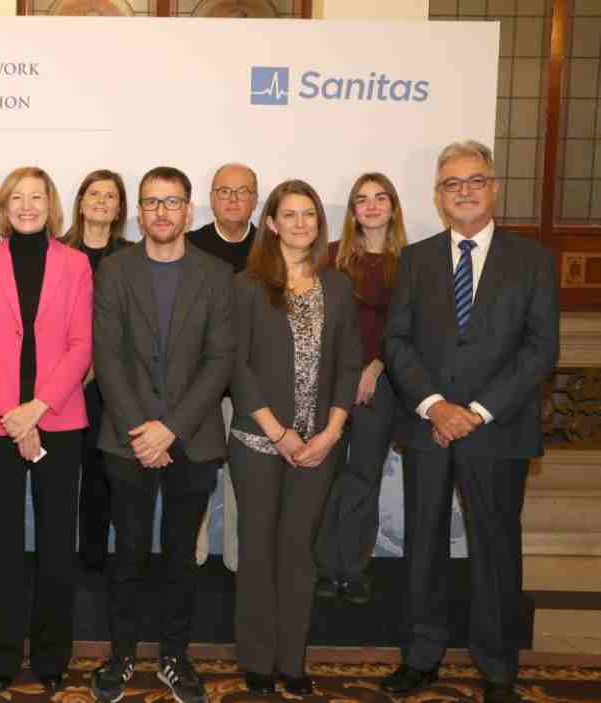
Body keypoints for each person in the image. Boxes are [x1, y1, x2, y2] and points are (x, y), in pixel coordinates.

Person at [382, 141, 559, 703]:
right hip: (428, 427)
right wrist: (435, 405)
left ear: (493, 188)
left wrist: (475, 412)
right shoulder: (415, 260)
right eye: (452, 183)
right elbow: (398, 342)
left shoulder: (532, 260)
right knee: (424, 547)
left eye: (474, 181)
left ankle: (496, 663)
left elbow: (540, 349)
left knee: (495, 548)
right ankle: (420, 655)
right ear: (438, 195)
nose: (463, 191)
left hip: (497, 430)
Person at [88, 167, 234, 703]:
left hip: (192, 440)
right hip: (126, 439)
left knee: (180, 558)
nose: (162, 213)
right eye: (151, 203)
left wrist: (170, 429)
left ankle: (175, 657)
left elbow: (220, 360)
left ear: (189, 210)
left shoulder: (217, 275)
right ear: (140, 212)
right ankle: (122, 656)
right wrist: (142, 432)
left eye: (172, 203)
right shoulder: (116, 270)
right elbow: (107, 356)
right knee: (126, 555)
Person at [227, 179, 362, 696]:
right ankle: (258, 660)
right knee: (258, 550)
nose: (302, 223)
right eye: (291, 214)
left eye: (310, 214)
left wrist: (331, 431)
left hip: (319, 445)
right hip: (259, 442)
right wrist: (277, 431)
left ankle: (293, 661)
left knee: (298, 552)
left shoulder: (339, 286)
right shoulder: (246, 285)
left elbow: (350, 363)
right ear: (272, 223)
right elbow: (236, 367)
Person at [0, 166, 92, 692]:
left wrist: (36, 409)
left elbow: (81, 345)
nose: (27, 206)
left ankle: (50, 657)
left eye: (36, 197)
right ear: (3, 206)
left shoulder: (77, 263)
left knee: (58, 544)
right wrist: (13, 418)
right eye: (17, 197)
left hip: (57, 421)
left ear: (51, 205)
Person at [313, 173, 409, 605]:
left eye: (380, 198)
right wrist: (346, 371)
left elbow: (413, 328)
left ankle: (351, 569)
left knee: (363, 477)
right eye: (362, 200)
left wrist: (374, 367)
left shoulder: (412, 261)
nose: (371, 206)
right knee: (324, 475)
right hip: (331, 382)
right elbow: (319, 323)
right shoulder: (331, 258)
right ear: (352, 211)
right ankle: (322, 567)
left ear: (392, 207)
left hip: (381, 384)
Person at [187, 162, 260, 571]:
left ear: (255, 199)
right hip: (199, 385)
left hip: (253, 386)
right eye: (224, 191)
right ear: (211, 198)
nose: (233, 199)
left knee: (244, 480)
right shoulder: (191, 244)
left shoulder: (272, 246)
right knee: (196, 475)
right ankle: (191, 555)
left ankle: (238, 560)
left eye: (243, 191)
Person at [61, 168, 133, 574]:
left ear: (120, 207)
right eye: (94, 194)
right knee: (62, 472)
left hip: (111, 385)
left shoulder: (131, 255)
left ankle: (92, 558)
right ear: (81, 201)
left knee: (102, 474)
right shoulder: (58, 250)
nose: (102, 202)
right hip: (62, 383)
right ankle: (58, 553)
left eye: (110, 196)